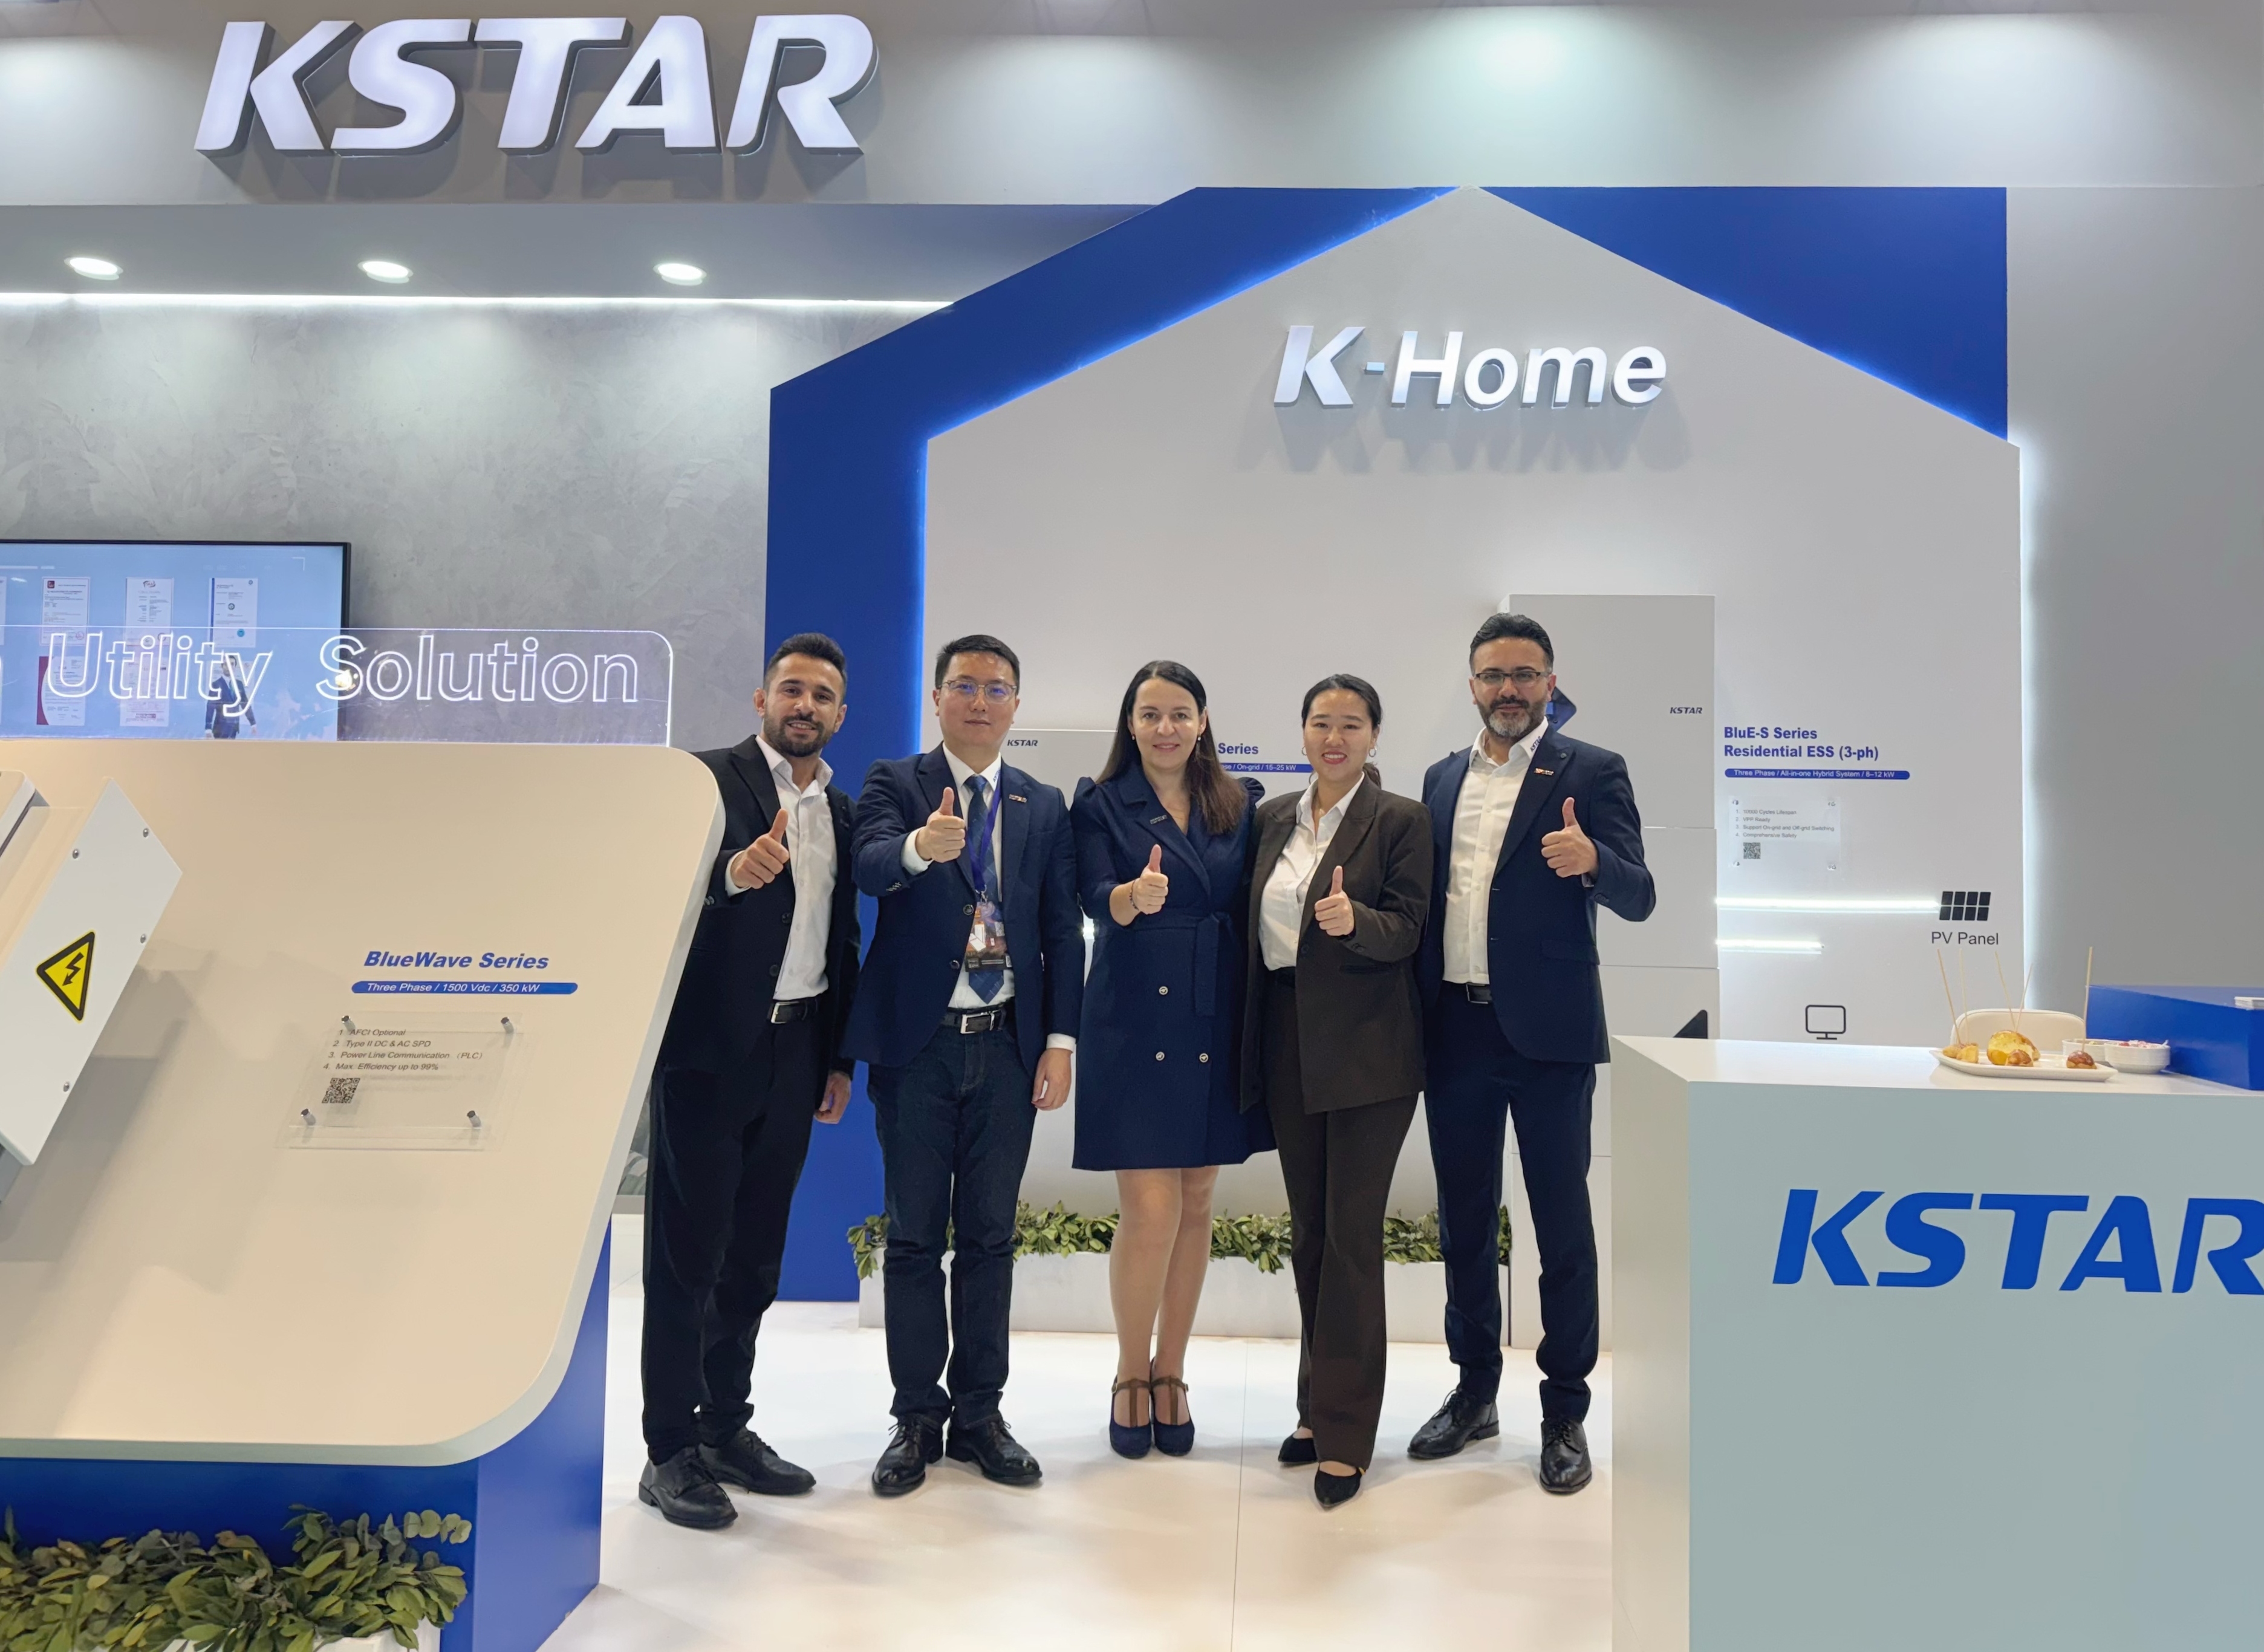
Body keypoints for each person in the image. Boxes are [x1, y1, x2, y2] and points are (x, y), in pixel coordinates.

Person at [1410, 613, 1654, 1495]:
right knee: (1465, 1222)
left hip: (1550, 1036)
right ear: (1472, 683)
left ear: (1551, 682)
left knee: (1561, 1228)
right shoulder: (1441, 779)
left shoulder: (1593, 770)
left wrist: (1593, 861)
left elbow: (1641, 895)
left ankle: (1565, 1411)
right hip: (1454, 1029)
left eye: (1524, 674)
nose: (1508, 689)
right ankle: (1475, 1391)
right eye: (1493, 675)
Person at [846, 633, 1085, 1496]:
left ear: (1016, 704)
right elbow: (870, 866)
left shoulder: (1041, 803)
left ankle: (981, 1414)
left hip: (1009, 1045)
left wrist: (1060, 1042)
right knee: (914, 1239)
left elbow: (1060, 928)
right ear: (938, 698)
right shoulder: (895, 781)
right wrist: (923, 846)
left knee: (989, 1238)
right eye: (965, 686)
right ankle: (917, 1416)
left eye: (997, 688)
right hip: (918, 1050)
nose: (980, 701)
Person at [638, 633, 862, 1529]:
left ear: (841, 714)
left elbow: (841, 939)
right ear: (762, 700)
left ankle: (724, 1426)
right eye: (792, 690)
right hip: (708, 1056)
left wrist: (837, 1058)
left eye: (822, 696)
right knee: (686, 1258)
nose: (805, 706)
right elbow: (651, 896)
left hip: (797, 1051)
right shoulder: (703, 783)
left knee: (754, 1258)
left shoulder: (840, 810)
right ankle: (668, 1451)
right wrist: (728, 877)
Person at [1070, 660, 1270, 1460]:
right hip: (1133, 1016)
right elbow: (1091, 895)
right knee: (1150, 1211)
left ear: (1203, 721)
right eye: (1150, 713)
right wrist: (1129, 899)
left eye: (1180, 713)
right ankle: (1130, 1372)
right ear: (1130, 723)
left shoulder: (1239, 803)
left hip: (1215, 1009)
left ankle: (1172, 1371)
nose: (1165, 728)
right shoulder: (1099, 802)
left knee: (1195, 1201)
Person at [1241, 674, 1433, 1508]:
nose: (1334, 737)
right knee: (1312, 1231)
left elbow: (1411, 928)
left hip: (1368, 1051)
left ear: (1374, 736)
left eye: (1351, 724)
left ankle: (1347, 1436)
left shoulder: (1401, 820)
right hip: (1288, 1037)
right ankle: (1316, 1410)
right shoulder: (1272, 818)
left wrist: (1360, 924)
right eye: (1321, 722)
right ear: (1303, 732)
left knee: (1352, 1237)